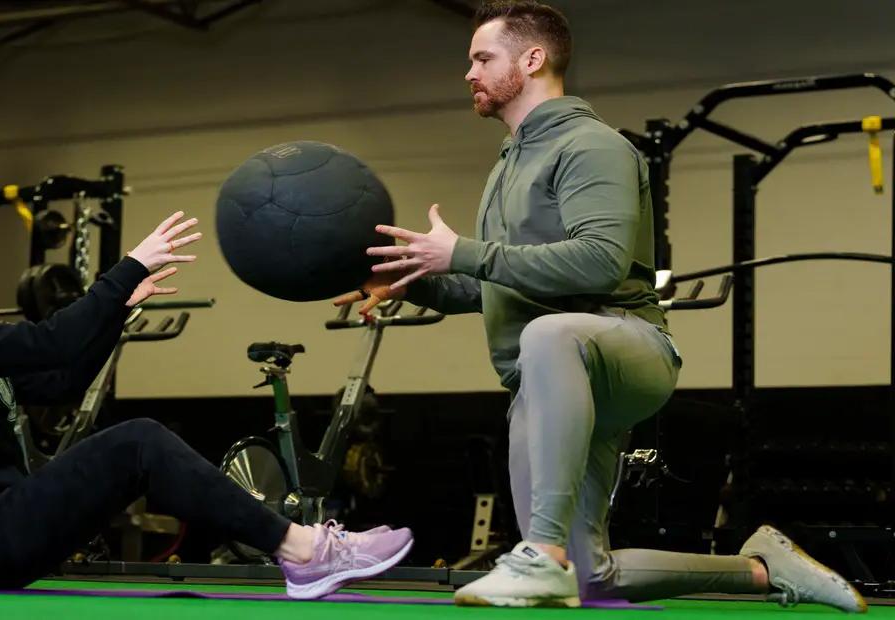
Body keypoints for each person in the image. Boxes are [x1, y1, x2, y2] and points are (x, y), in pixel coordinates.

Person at [337, 1, 865, 611]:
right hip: (544, 377)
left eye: (482, 58)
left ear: (532, 59)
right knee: (591, 578)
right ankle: (761, 568)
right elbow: (494, 282)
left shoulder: (592, 146)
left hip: (625, 349)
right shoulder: (507, 165)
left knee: (549, 337)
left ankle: (540, 552)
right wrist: (415, 279)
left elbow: (598, 262)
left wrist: (464, 251)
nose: (469, 73)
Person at [0, 187, 413, 598]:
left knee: (134, 447)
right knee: (138, 442)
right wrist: (126, 267)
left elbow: (58, 380)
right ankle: (304, 551)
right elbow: (48, 343)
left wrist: (115, 312)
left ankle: (302, 550)